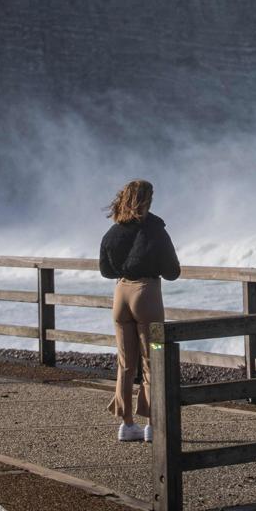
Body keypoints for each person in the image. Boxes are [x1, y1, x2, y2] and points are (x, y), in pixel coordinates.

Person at [99, 179, 181, 442]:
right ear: (147, 200)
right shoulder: (155, 230)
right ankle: (152, 425)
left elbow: (105, 270)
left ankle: (126, 424)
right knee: (152, 359)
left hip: (120, 296)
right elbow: (173, 271)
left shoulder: (113, 232)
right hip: (146, 296)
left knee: (125, 363)